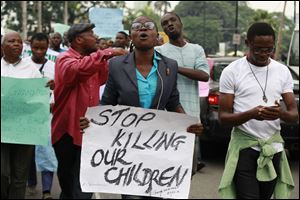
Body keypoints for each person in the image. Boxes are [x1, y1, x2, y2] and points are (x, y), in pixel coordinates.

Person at [80, 16, 204, 199]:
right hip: (126, 146)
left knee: (155, 194)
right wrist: (92, 121)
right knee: (131, 195)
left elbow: (173, 101)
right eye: (137, 27)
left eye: (149, 27)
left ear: (156, 36)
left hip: (157, 144)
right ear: (131, 36)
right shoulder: (115, 65)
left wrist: (189, 123)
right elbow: (107, 102)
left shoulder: (169, 66)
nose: (143, 30)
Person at [218, 22, 299, 199]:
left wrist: (281, 114)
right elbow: (223, 117)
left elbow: (294, 115)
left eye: (268, 49)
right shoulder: (232, 71)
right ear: (247, 43)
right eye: (258, 49)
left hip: (273, 149)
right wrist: (252, 114)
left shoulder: (282, 71)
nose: (263, 54)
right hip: (244, 149)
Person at [51, 23, 127, 199]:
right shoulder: (64, 59)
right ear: (79, 39)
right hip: (67, 133)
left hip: (89, 131)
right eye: (91, 34)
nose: (97, 37)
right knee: (69, 185)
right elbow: (76, 70)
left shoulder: (92, 60)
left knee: (84, 185)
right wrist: (108, 53)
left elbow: (101, 78)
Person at [155, 12, 209, 174]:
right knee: (165, 169)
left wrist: (174, 66)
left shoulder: (196, 49)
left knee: (188, 171)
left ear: (180, 23)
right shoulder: (158, 51)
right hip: (166, 118)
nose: (169, 24)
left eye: (173, 20)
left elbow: (204, 75)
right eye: (165, 23)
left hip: (191, 119)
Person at [1, 31, 42, 199]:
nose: (17, 44)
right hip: (2, 129)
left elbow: (42, 97)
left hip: (24, 130)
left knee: (20, 175)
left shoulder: (31, 69)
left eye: (19, 41)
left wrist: (47, 90)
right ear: (2, 46)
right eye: (11, 41)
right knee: (2, 174)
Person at [24, 32, 57, 199]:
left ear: (47, 47)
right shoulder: (23, 65)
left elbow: (60, 89)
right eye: (35, 48)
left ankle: (46, 191)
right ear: (30, 46)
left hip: (46, 116)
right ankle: (31, 183)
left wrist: (54, 94)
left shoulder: (53, 66)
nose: (38, 51)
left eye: (42, 48)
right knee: (27, 153)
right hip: (26, 118)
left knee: (46, 152)